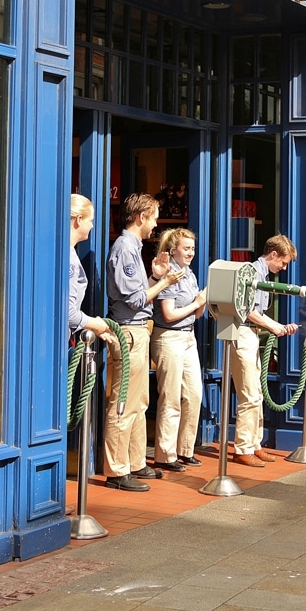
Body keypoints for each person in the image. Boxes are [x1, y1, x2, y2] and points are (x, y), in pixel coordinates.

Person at [103, 193, 184, 492]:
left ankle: (135, 461)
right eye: (153, 217)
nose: (155, 224)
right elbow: (136, 300)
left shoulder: (133, 248)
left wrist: (154, 276)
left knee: (139, 400)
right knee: (123, 402)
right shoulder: (125, 248)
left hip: (138, 330)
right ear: (140, 218)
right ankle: (116, 469)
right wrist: (164, 283)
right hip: (129, 332)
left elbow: (137, 294)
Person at [230, 234, 299, 467]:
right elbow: (246, 309)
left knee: (257, 392)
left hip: (252, 334)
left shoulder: (265, 276)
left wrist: (276, 327)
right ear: (272, 255)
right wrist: (273, 326)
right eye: (283, 262)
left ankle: (254, 444)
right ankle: (242, 448)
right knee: (249, 393)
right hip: (241, 333)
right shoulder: (250, 272)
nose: (284, 267)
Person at [151, 228, 207, 471]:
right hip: (169, 337)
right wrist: (196, 302)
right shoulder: (170, 273)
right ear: (173, 250)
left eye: (193, 248)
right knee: (171, 397)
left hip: (188, 337)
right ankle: (165, 455)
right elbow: (169, 314)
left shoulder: (190, 274)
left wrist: (201, 303)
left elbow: (197, 312)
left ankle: (185, 449)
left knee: (194, 393)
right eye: (186, 248)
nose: (191, 253)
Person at [69, 195, 118, 348]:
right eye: (90, 220)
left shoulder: (63, 252)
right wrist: (95, 324)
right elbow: (68, 313)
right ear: (78, 220)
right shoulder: (69, 258)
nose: (92, 226)